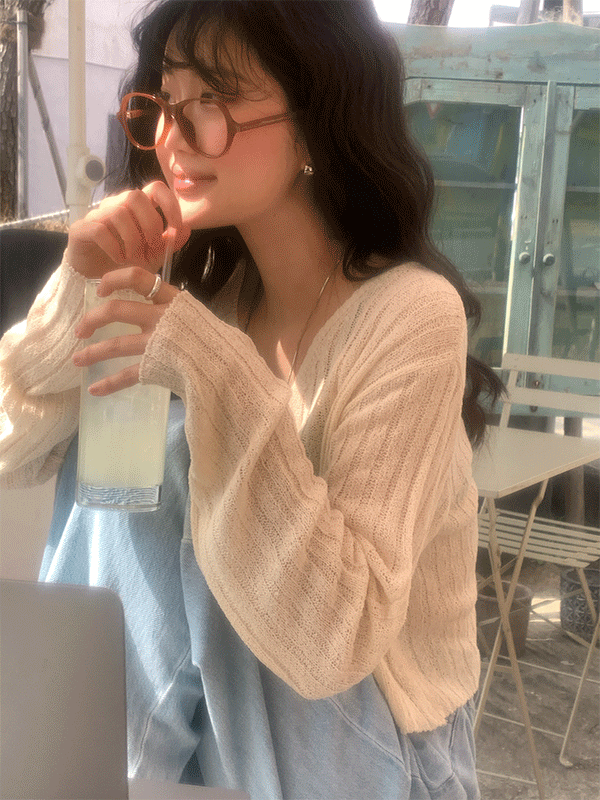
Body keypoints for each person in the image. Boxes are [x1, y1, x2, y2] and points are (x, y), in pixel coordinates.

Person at [0, 1, 503, 797]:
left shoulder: (411, 313)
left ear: (315, 122)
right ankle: (75, 763)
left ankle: (73, 771)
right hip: (222, 739)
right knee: (130, 444)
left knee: (174, 449)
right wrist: (86, 285)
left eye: (214, 100)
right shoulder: (218, 299)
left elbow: (334, 643)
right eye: (167, 99)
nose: (173, 136)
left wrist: (213, 373)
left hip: (386, 751)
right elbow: (12, 451)